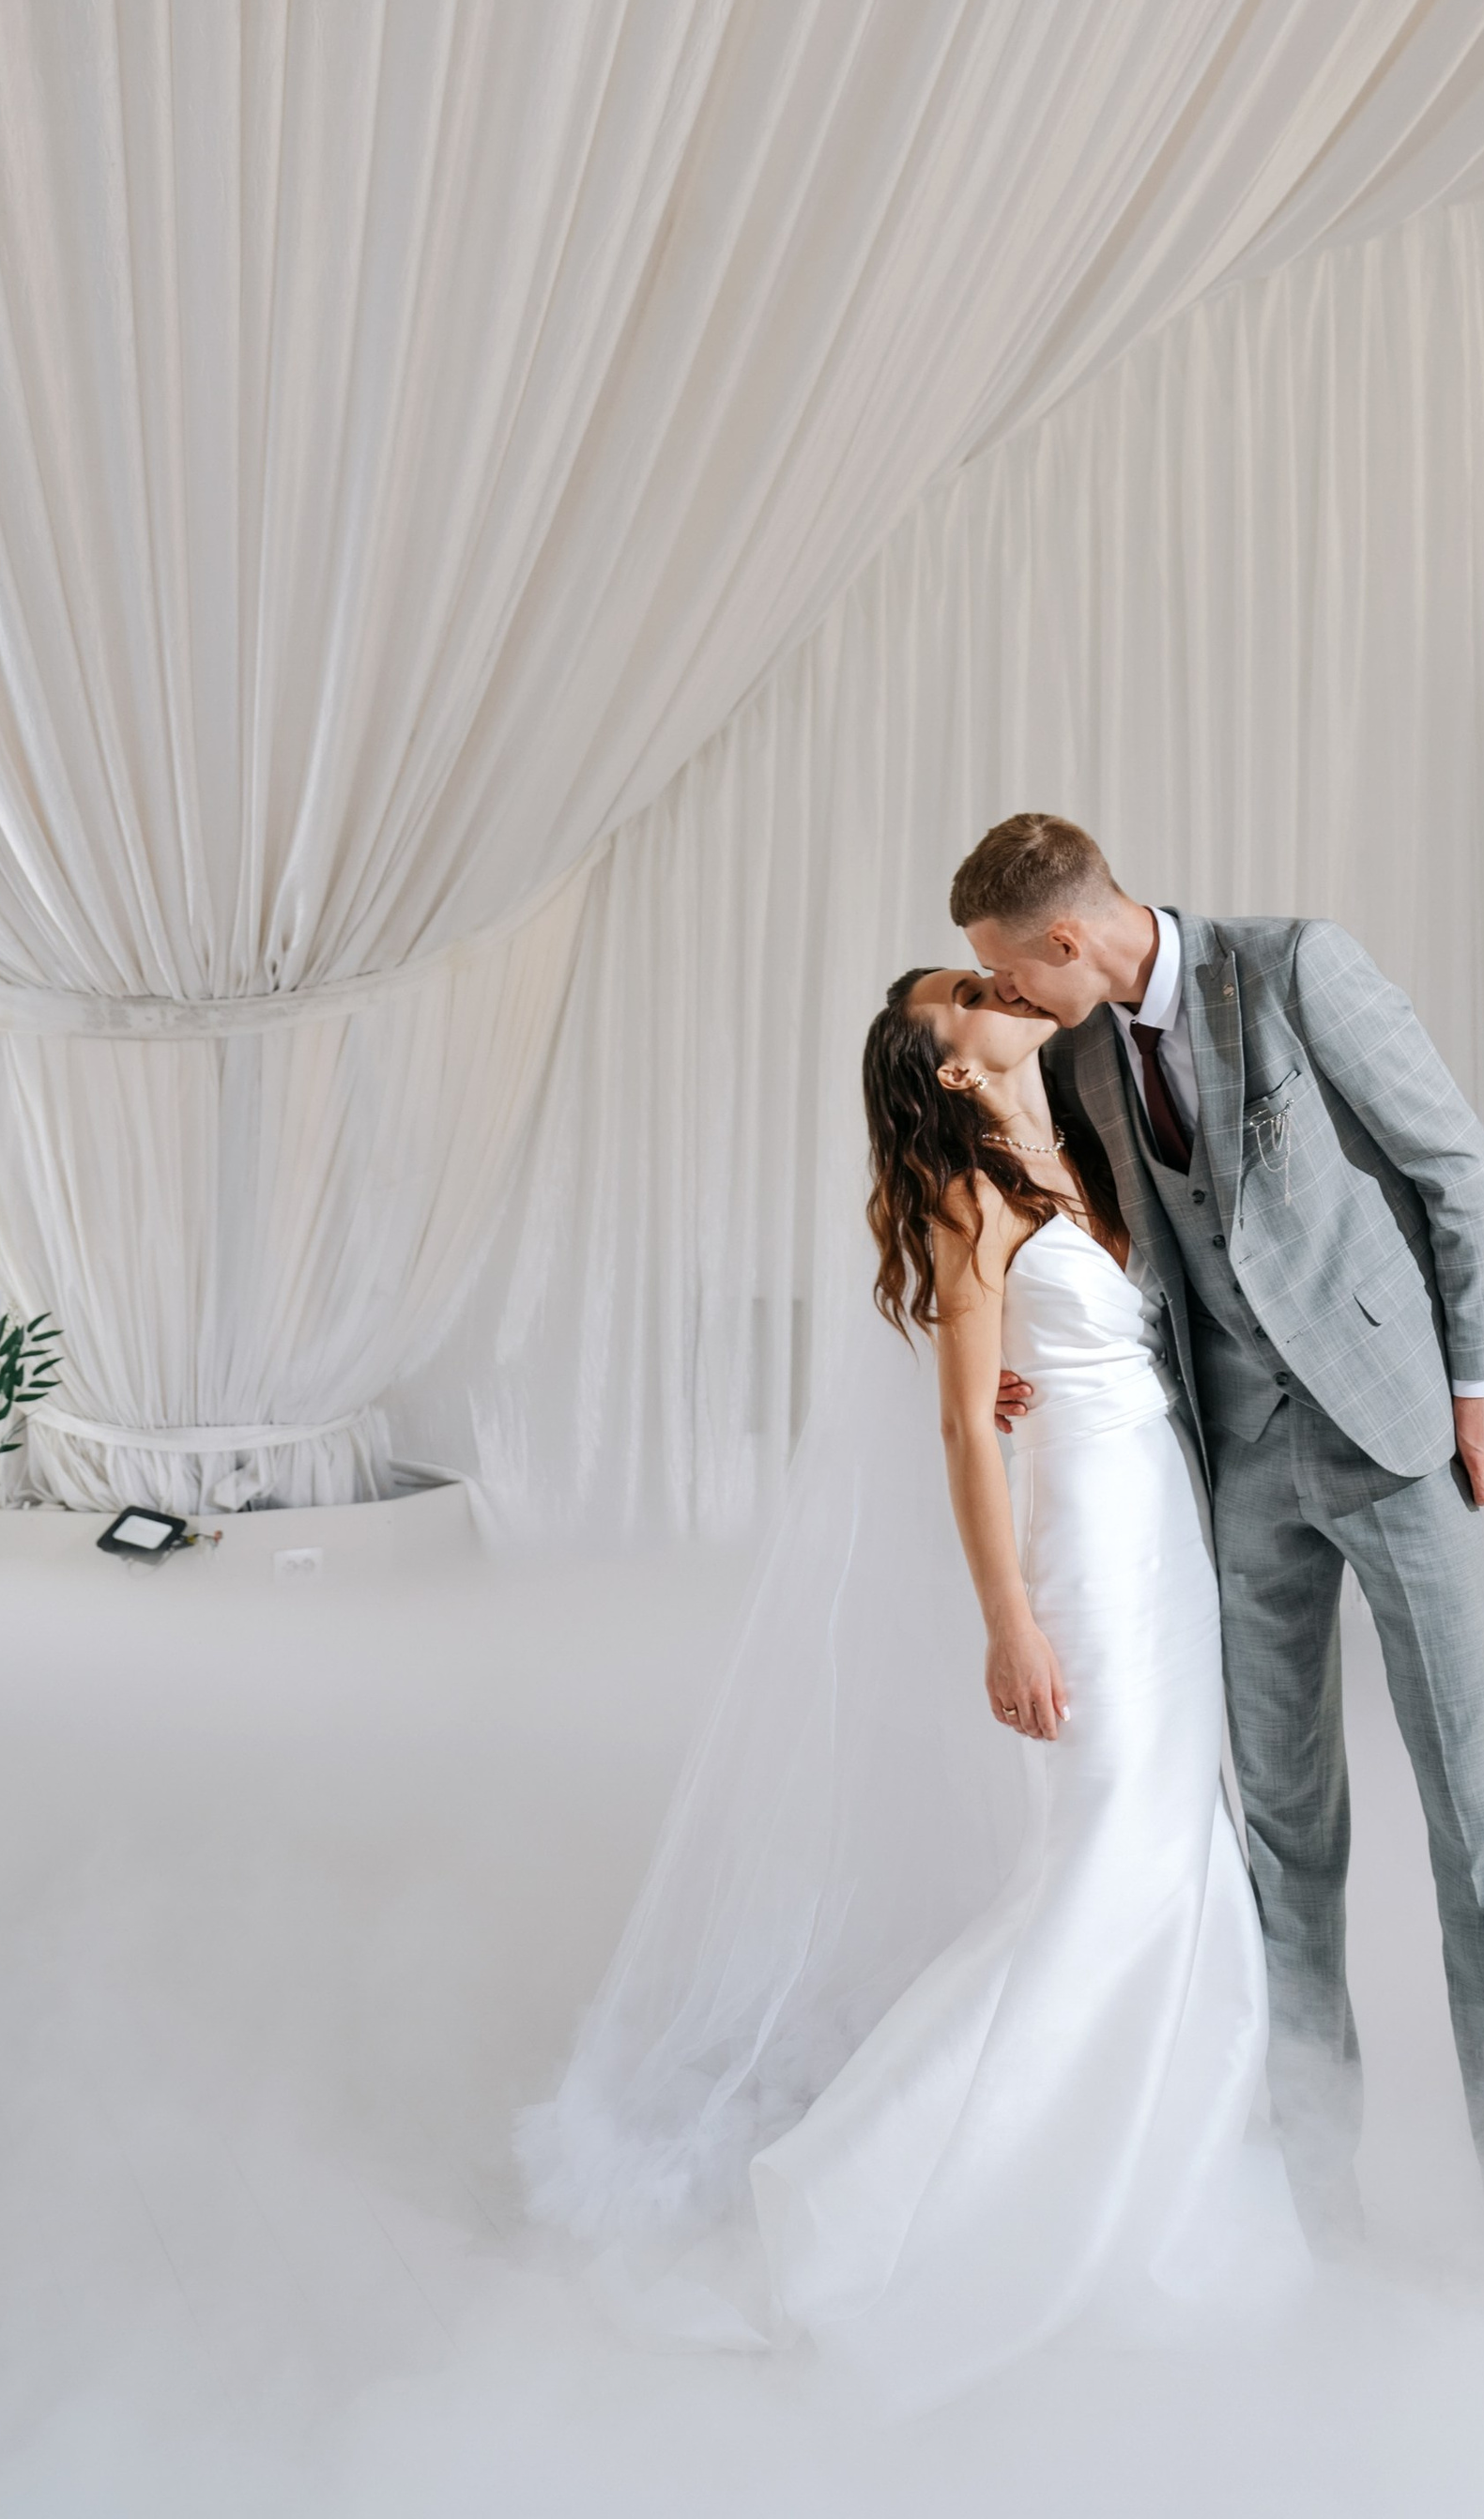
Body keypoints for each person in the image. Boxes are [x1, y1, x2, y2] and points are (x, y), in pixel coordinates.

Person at [529, 958, 1299, 2404]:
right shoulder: (969, 1197)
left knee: (1176, 1857)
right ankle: (871, 2200)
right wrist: (1009, 1625)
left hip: (1163, 1539)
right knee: (1099, 1872)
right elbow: (960, 1433)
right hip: (1073, 1549)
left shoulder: (1078, 1140)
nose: (996, 984)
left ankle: (1145, 2168)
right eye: (965, 991)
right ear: (949, 1065)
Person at [952, 814, 1484, 2253]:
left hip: (1397, 1437)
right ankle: (1316, 2215)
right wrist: (1013, 1350)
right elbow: (1107, 1243)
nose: (1012, 1006)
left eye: (1010, 977)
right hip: (1236, 1468)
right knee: (1284, 1840)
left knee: (1476, 1829)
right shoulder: (1089, 1051)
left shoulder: (1297, 970)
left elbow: (1455, 1167)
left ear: (1065, 939)